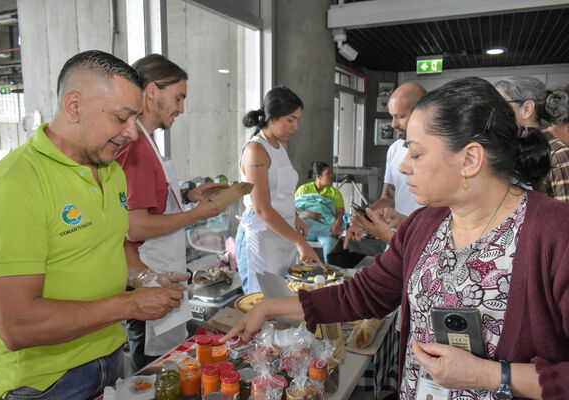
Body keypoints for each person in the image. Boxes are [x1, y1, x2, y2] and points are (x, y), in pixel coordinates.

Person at [223, 78, 566, 400]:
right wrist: (269, 307)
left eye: (416, 154)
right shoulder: (425, 224)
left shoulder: (554, 234)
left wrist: (493, 375)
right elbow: (359, 295)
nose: (404, 168)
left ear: (470, 159)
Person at [0, 50, 189, 400]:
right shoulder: (12, 187)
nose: (132, 133)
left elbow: (114, 242)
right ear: (74, 106)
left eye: (135, 118)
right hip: (48, 384)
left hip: (110, 363)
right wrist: (131, 305)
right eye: (121, 118)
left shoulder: (111, 171)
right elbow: (18, 324)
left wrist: (145, 276)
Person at [115, 54, 227, 372]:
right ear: (152, 91)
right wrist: (195, 214)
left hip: (160, 273)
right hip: (148, 275)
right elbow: (135, 227)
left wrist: (189, 197)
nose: (181, 108)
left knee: (167, 367)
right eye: (178, 97)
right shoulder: (136, 145)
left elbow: (148, 203)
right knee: (152, 374)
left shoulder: (147, 141)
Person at [235, 86, 323, 294]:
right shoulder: (255, 150)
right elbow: (262, 209)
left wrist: (294, 218)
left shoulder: (280, 146)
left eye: (297, 120)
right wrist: (300, 241)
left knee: (281, 303)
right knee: (261, 302)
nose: (296, 127)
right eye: (291, 119)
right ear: (272, 117)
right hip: (260, 239)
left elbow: (280, 193)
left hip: (282, 235)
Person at [365, 82, 426, 244]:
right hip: (398, 238)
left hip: (425, 240)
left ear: (420, 112)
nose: (393, 124)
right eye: (392, 116)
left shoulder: (440, 152)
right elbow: (387, 198)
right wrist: (365, 218)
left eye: (400, 116)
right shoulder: (394, 149)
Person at [494, 76, 566, 198]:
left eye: (501, 105)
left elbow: (563, 213)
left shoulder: (558, 154)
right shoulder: (508, 149)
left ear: (527, 109)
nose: (495, 112)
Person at [294, 161, 344, 263]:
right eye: (328, 174)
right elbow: (294, 210)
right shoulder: (303, 189)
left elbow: (340, 213)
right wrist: (309, 213)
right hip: (307, 230)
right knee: (305, 222)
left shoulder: (335, 193)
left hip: (324, 231)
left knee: (330, 242)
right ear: (318, 176)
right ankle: (341, 233)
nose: (331, 176)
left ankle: (329, 270)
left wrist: (337, 224)